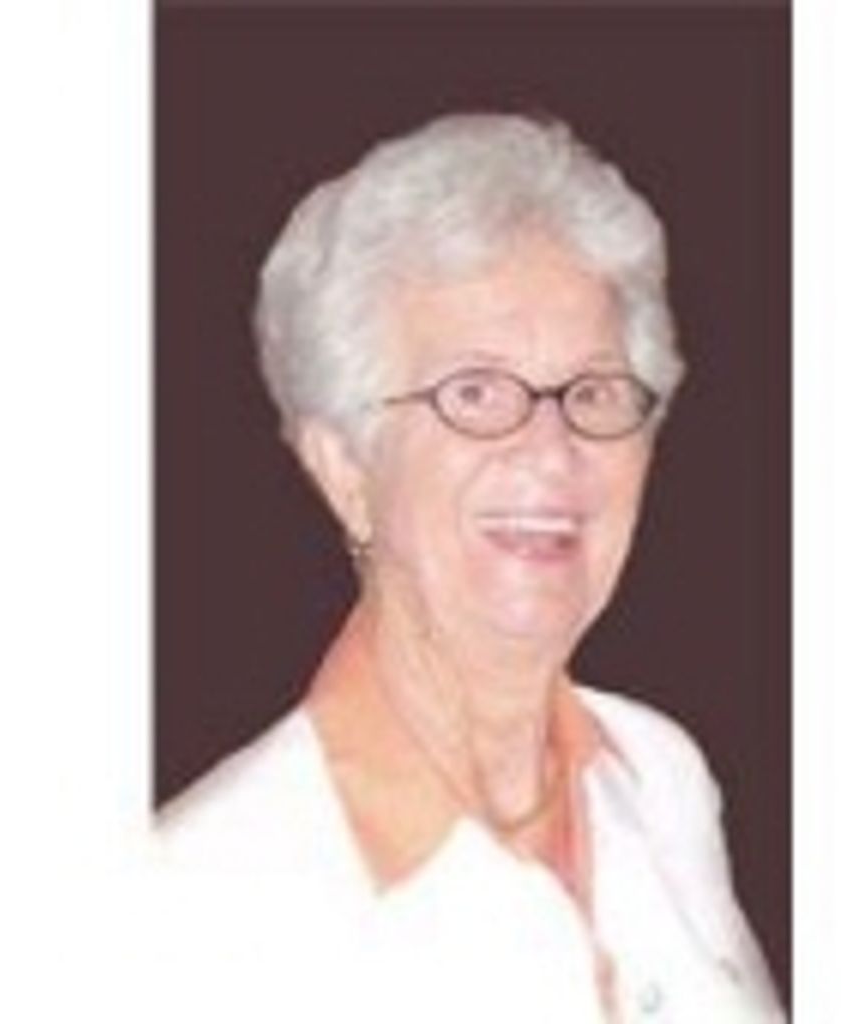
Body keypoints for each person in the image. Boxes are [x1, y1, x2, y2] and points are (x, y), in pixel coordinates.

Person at [158, 112, 785, 1023]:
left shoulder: (658, 776)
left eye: (593, 391)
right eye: (475, 393)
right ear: (346, 470)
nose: (553, 453)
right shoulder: (194, 906)